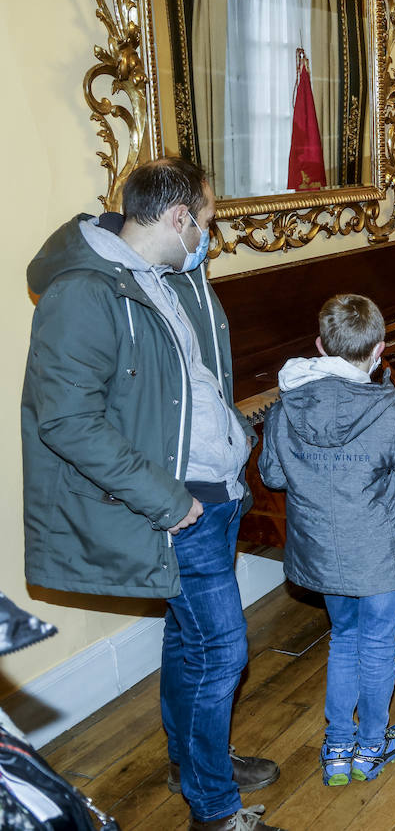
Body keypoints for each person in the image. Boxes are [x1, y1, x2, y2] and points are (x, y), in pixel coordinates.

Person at [20, 157, 284, 831]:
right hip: (178, 506)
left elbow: (193, 378)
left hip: (212, 493)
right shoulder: (84, 292)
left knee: (190, 642)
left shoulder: (168, 276)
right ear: (176, 218)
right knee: (221, 650)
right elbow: (68, 420)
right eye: (207, 223)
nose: (210, 237)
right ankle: (216, 811)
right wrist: (171, 502)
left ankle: (192, 762)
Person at [258, 294, 395, 786]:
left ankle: (337, 748)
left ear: (319, 346)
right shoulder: (393, 416)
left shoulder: (283, 410)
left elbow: (272, 477)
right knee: (379, 646)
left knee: (344, 640)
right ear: (380, 350)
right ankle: (372, 746)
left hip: (321, 551)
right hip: (380, 555)